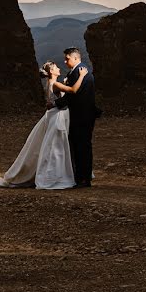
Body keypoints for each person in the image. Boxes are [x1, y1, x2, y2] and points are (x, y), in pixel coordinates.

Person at [0, 61, 88, 189]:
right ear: (51, 71)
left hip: (53, 115)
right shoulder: (55, 84)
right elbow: (73, 90)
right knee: (56, 146)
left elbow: (56, 99)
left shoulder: (49, 84)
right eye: (56, 67)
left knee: (52, 144)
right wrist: (82, 76)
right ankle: (53, 176)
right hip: (57, 117)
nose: (59, 68)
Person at [51, 47, 99, 187]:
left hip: (81, 116)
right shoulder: (78, 71)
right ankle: (82, 177)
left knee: (81, 146)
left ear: (76, 58)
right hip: (81, 115)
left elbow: (73, 94)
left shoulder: (80, 71)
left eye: (67, 58)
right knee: (80, 146)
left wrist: (55, 104)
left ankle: (83, 178)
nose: (65, 61)